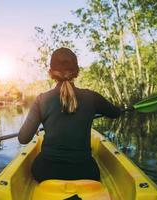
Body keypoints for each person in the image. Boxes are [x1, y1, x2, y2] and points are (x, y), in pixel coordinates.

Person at [18, 47, 121, 183]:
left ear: (50, 73)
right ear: (77, 72)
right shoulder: (92, 97)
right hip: (86, 173)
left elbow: (23, 138)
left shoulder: (41, 100)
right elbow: (115, 113)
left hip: (45, 172)